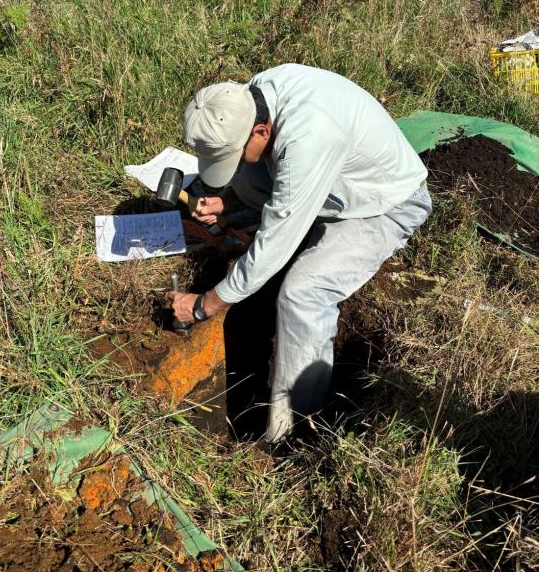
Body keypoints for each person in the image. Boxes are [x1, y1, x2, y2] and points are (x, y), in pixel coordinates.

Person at [168, 63, 431, 444]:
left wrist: (203, 305)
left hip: (383, 203)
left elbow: (274, 245)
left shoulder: (310, 137)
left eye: (235, 154)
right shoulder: (250, 97)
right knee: (249, 175)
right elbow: (261, 174)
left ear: (261, 130)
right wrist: (225, 200)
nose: (237, 163)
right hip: (330, 177)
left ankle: (291, 434)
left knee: (303, 293)